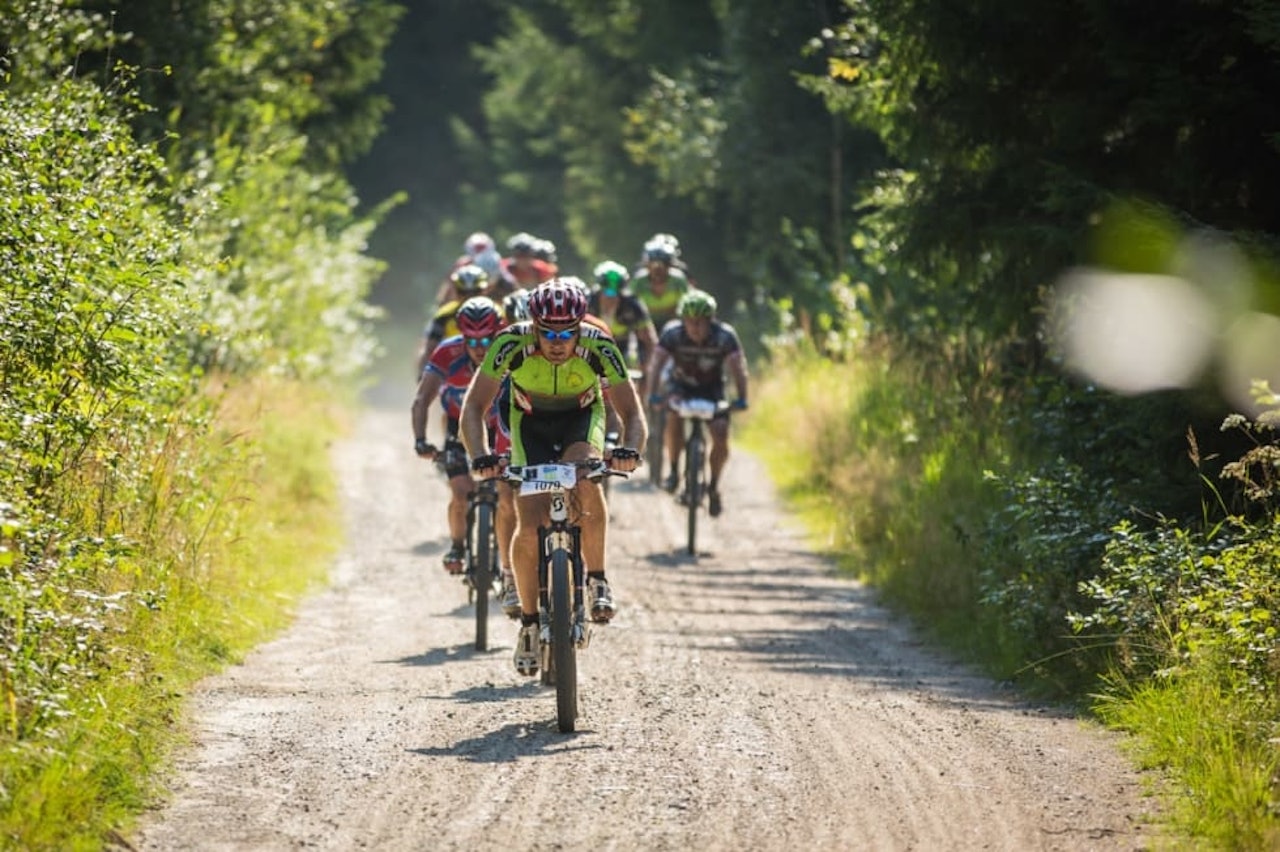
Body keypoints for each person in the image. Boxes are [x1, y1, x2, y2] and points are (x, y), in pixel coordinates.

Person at [460, 278, 646, 676]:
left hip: (582, 419)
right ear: (534, 326)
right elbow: (473, 407)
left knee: (585, 477)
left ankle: (597, 578)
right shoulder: (509, 343)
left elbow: (632, 413)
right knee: (529, 526)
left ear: (580, 326)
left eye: (567, 332)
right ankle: (529, 622)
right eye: (549, 333)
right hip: (530, 425)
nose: (559, 342)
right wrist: (480, 457)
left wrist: (630, 450)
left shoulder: (599, 345)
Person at [411, 296, 522, 616]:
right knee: (461, 492)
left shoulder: (510, 349)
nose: (479, 347)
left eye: (487, 339)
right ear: (462, 336)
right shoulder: (447, 352)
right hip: (461, 431)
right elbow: (422, 398)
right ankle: (458, 546)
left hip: (500, 430)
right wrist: (421, 440)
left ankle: (507, 568)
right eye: (472, 341)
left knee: (506, 498)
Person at [643, 290, 748, 518]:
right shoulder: (672, 334)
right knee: (673, 415)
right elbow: (656, 364)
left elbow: (738, 368)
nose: (695, 327)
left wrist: (742, 397)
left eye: (701, 322)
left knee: (720, 433)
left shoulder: (725, 336)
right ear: (683, 321)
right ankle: (672, 470)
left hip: (712, 389)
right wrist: (652, 395)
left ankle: (713, 486)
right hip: (680, 386)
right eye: (690, 322)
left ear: (711, 321)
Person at [416, 264, 491, 378]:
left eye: (475, 292)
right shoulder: (444, 315)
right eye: (463, 292)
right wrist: (422, 376)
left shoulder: (498, 313)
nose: (469, 298)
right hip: (452, 371)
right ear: (456, 291)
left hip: (487, 369)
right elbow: (429, 348)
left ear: (484, 291)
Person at [587, 260, 658, 370]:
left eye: (615, 292)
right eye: (606, 292)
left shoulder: (632, 305)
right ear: (599, 289)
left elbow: (649, 339)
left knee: (634, 362)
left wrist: (647, 367)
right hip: (593, 345)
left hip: (623, 346)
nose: (610, 296)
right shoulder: (588, 302)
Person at [630, 235, 693, 329]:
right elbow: (629, 306)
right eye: (653, 265)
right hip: (644, 326)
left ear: (671, 265)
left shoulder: (679, 280)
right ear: (647, 265)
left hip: (675, 325)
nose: (658, 271)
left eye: (664, 265)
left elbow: (689, 306)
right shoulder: (639, 281)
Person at [496, 232, 557, 298]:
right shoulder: (504, 268)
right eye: (519, 256)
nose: (523, 260)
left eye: (527, 255)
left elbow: (552, 289)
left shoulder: (542, 269)